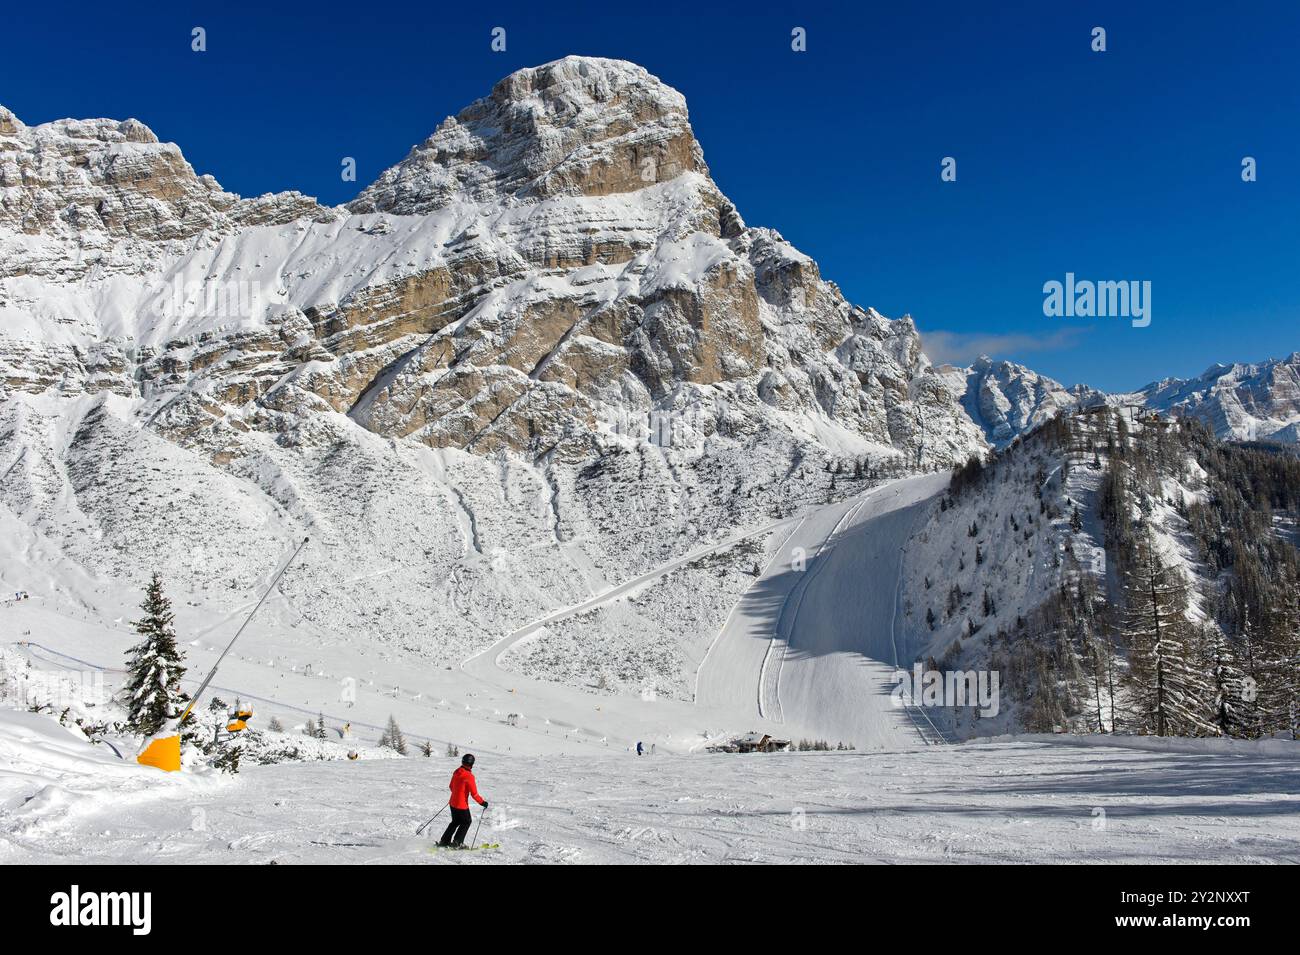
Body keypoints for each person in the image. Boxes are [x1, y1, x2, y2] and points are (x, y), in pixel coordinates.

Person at [439, 753, 487, 848]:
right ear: (472, 764)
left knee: (455, 822)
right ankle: (457, 842)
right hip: (461, 805)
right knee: (466, 821)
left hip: (452, 803)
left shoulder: (457, 771)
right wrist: (482, 802)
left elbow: (451, 786)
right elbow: (474, 794)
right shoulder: (469, 776)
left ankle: (444, 841)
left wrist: (457, 795)